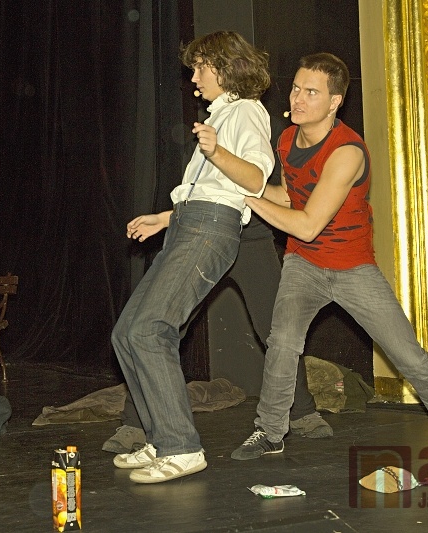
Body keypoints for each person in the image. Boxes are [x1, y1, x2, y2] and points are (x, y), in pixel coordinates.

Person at [230, 52, 428, 461]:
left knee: (406, 354)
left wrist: (249, 198)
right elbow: (289, 199)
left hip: (352, 267)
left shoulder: (347, 151)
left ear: (334, 102)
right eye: (296, 88)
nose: (297, 98)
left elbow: (307, 224)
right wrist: (246, 188)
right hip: (304, 263)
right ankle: (270, 431)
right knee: (281, 343)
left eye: (311, 92)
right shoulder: (285, 141)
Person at [102, 122, 332, 456]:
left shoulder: (258, 123)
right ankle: (136, 421)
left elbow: (277, 192)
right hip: (206, 233)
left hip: (251, 236)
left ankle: (301, 410)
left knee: (277, 326)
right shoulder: (214, 126)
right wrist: (166, 218)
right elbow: (206, 193)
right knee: (162, 323)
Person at [110, 31, 274, 484]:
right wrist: (166, 218)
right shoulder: (220, 115)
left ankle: (181, 447)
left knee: (151, 329)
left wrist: (216, 150)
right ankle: (160, 437)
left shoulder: (246, 111)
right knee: (127, 333)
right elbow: (209, 191)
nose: (194, 78)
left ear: (225, 67)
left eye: (201, 67)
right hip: (190, 223)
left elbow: (254, 180)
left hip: (209, 230)